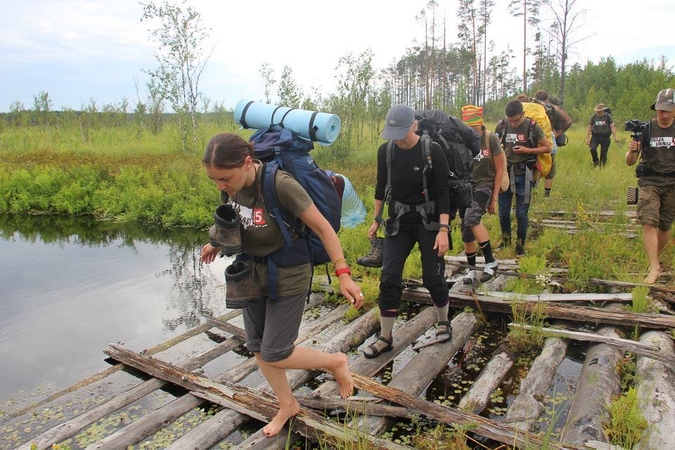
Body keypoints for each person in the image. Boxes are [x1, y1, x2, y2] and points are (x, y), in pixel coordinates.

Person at [199, 132, 364, 437]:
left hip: (289, 272)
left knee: (277, 352)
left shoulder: (280, 184)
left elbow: (323, 228)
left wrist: (343, 275)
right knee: (258, 348)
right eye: (214, 180)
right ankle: (288, 404)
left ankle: (335, 362)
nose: (220, 186)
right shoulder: (230, 188)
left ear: (248, 163)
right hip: (250, 272)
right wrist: (215, 242)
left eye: (224, 178)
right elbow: (233, 220)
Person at [363, 104, 452, 358]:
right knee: (389, 277)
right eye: (393, 135)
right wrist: (376, 220)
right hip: (399, 221)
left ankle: (444, 321)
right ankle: (385, 337)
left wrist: (444, 229)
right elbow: (381, 187)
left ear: (414, 125)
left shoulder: (431, 150)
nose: (398, 140)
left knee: (432, 278)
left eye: (402, 133)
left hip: (430, 222)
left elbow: (443, 192)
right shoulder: (387, 151)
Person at [625, 88, 675, 284]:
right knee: (648, 221)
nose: (663, 114)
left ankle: (658, 259)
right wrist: (632, 151)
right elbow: (630, 161)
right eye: (660, 110)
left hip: (672, 182)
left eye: (667, 110)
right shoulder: (646, 129)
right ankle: (653, 266)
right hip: (650, 181)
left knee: (665, 224)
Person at [495, 100, 551, 256]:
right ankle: (506, 242)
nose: (512, 124)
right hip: (506, 175)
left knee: (521, 213)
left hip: (524, 174)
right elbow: (494, 144)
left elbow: (547, 147)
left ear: (523, 115)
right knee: (503, 212)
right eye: (510, 120)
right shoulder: (502, 125)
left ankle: (520, 245)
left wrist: (527, 150)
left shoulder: (532, 127)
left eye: (516, 120)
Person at [460, 104, 505, 285]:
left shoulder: (490, 139)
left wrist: (494, 197)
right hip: (466, 187)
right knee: (465, 230)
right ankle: (471, 269)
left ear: (481, 125)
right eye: (469, 128)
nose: (472, 131)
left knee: (472, 219)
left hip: (484, 185)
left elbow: (500, 169)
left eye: (475, 128)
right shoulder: (462, 140)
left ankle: (490, 261)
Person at [534, 90, 573, 197]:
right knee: (550, 166)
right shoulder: (552, 108)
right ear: (547, 99)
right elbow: (568, 121)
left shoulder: (532, 107)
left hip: (532, 138)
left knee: (533, 164)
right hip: (548, 137)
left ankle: (533, 190)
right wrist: (558, 133)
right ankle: (546, 195)